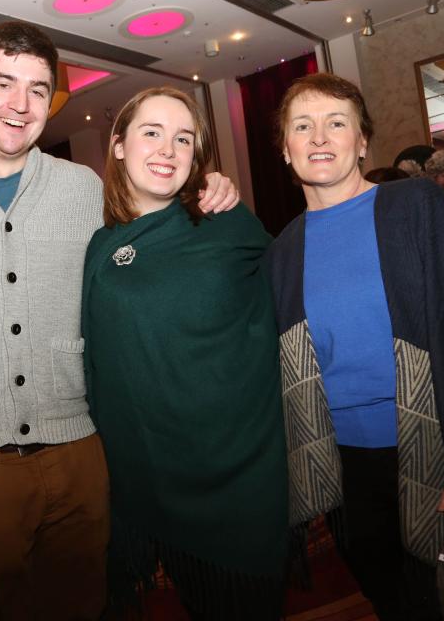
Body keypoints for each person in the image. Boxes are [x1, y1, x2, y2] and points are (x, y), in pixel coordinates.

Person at [0, 21, 239, 621]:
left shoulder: (85, 188)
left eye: (37, 89)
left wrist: (211, 188)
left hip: (79, 451)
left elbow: (157, 223)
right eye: (3, 83)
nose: (20, 105)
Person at [267, 72, 444, 620]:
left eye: (337, 123)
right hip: (346, 470)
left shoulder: (417, 207)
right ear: (284, 149)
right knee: (393, 598)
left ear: (362, 142)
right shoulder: (282, 252)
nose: (319, 137)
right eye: (302, 126)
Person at [81, 87, 287, 620]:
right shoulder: (99, 245)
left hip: (234, 476)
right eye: (151, 133)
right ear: (119, 145)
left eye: (183, 139)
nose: (167, 149)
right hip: (144, 480)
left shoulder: (229, 223)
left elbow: (294, 300)